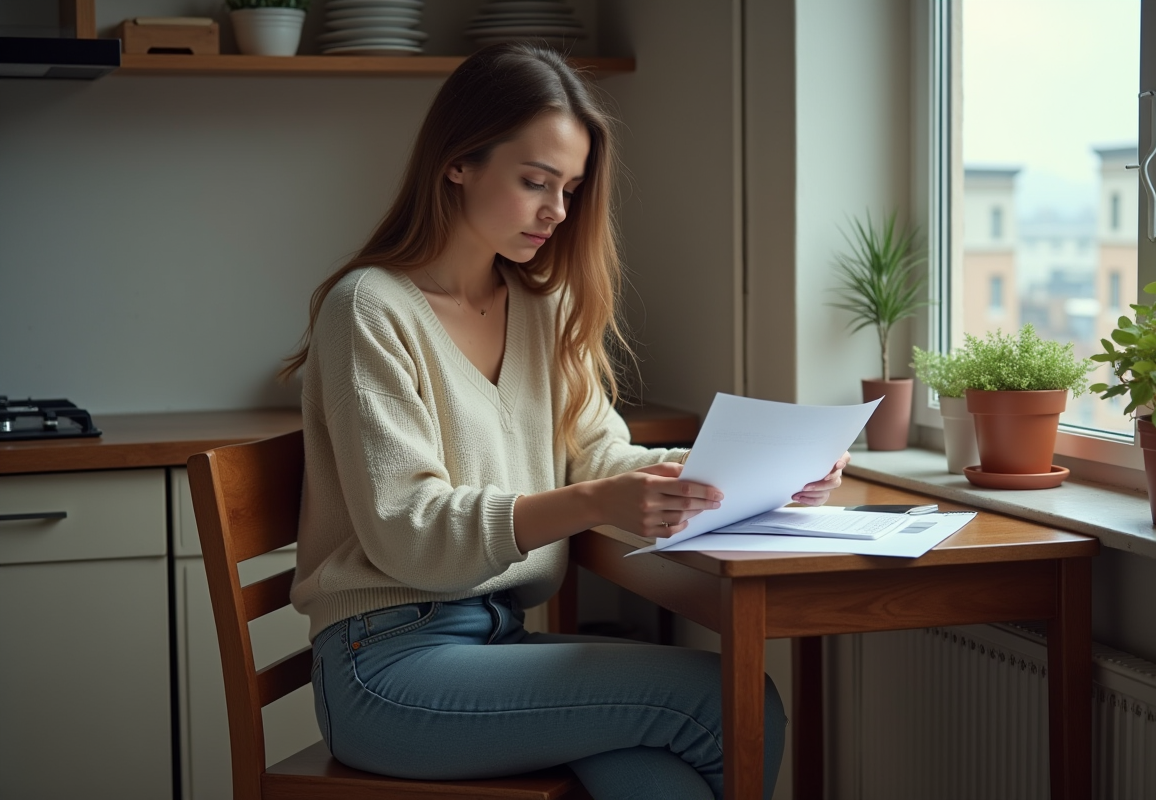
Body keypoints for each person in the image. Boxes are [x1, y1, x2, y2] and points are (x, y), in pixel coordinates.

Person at [280, 42, 848, 800]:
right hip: (384, 668)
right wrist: (587, 505)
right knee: (730, 700)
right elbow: (408, 530)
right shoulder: (370, 309)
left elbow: (602, 455)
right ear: (458, 162)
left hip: (496, 642)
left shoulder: (543, 309)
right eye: (535, 182)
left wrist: (758, 472)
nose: (557, 210)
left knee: (662, 778)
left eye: (571, 189)